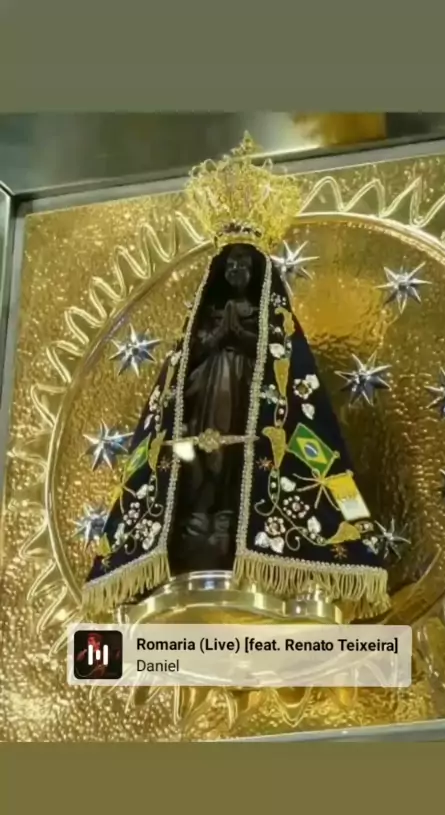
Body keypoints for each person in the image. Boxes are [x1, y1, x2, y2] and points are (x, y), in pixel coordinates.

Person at [83, 135, 390, 620]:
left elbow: (287, 381)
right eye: (231, 266)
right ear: (219, 273)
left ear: (260, 272)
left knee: (237, 463)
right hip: (207, 391)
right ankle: (201, 514)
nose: (238, 272)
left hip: (247, 398)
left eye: (246, 265)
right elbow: (182, 378)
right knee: (201, 457)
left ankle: (231, 516)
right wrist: (215, 339)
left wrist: (240, 337)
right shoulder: (204, 319)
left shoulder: (272, 321)